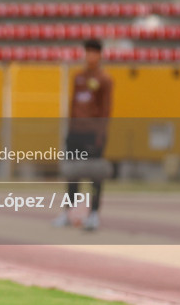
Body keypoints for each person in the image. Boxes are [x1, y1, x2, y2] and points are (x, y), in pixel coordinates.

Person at [54, 38, 113, 231]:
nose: (90, 56)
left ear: (100, 55)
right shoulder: (78, 77)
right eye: (87, 52)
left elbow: (105, 110)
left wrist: (100, 134)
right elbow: (72, 106)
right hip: (75, 133)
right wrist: (69, 131)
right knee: (73, 174)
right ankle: (69, 212)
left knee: (94, 175)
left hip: (93, 133)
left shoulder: (104, 80)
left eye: (94, 52)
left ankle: (94, 213)